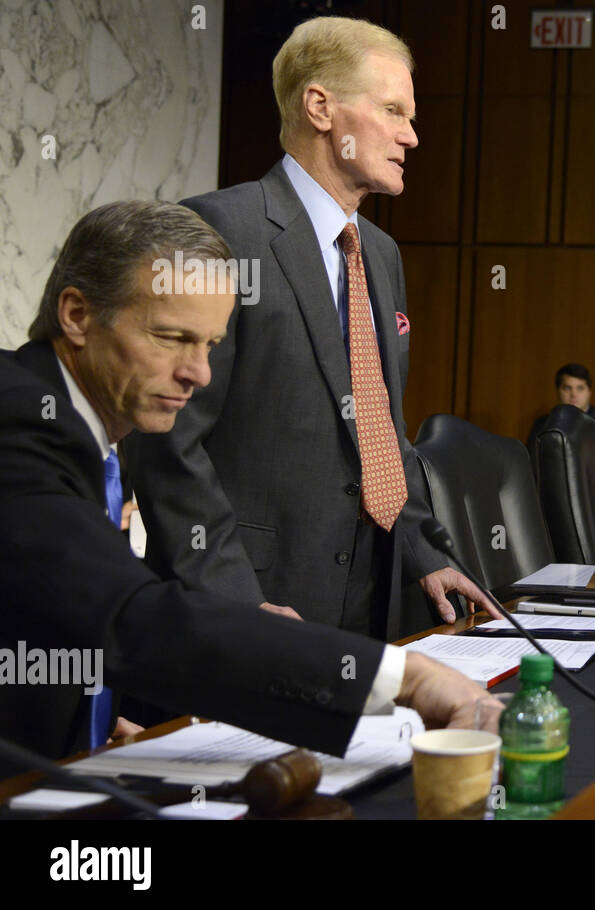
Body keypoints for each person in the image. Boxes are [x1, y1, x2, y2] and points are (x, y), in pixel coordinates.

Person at [0, 201, 495, 777]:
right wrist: (401, 678)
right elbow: (130, 619)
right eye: (171, 338)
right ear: (78, 315)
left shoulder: (77, 429)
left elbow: (52, 612)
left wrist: (88, 708)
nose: (200, 373)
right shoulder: (20, 423)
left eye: (209, 345)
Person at [123, 17, 495, 642]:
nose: (412, 135)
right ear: (319, 107)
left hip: (373, 604)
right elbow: (165, 439)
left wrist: (425, 553)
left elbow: (379, 426)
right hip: (254, 605)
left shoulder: (379, 252)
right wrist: (234, 595)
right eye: (394, 110)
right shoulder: (216, 231)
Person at [527, 363, 595, 450]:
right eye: (567, 388)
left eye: (580, 388)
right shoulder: (543, 424)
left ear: (589, 391)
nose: (573, 394)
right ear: (558, 391)